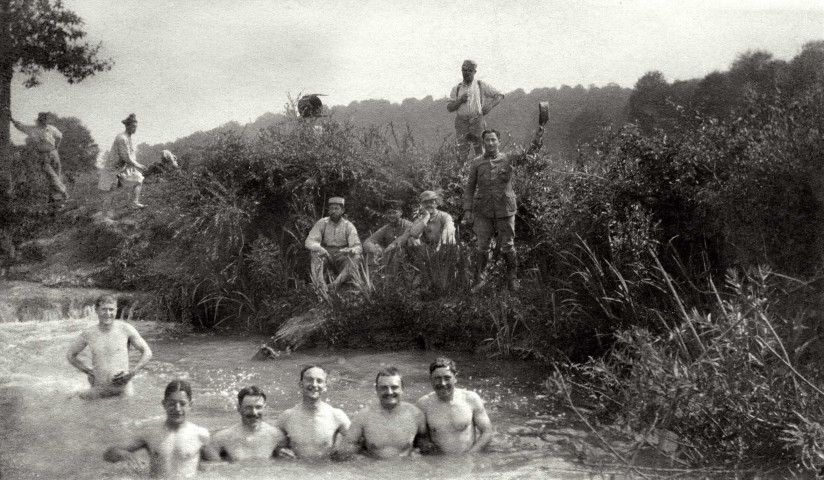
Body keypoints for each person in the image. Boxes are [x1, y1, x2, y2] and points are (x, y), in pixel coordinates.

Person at [463, 126, 545, 293]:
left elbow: (529, 153)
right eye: (487, 140)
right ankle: (480, 279)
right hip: (483, 211)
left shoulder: (509, 158)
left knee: (508, 245)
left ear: (499, 142)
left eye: (494, 140)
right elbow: (470, 187)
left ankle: (512, 278)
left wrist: (538, 136)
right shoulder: (477, 162)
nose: (491, 143)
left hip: (505, 209)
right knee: (482, 246)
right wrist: (468, 210)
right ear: (483, 142)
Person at [104, 380, 211, 478]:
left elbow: (212, 467)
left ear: (190, 405)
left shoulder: (201, 435)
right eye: (172, 403)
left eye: (182, 404)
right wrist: (126, 455)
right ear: (164, 404)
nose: (177, 409)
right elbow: (109, 454)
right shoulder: (151, 433)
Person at [66, 294, 152, 398]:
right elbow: (70, 355)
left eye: (111, 309)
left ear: (116, 310)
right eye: (104, 309)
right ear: (96, 310)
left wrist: (131, 374)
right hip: (99, 388)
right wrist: (88, 371)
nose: (108, 313)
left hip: (123, 389)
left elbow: (147, 352)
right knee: (71, 400)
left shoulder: (126, 329)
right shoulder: (89, 333)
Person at [340, 367, 428, 459]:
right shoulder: (363, 417)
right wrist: (360, 460)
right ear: (377, 390)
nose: (389, 392)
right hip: (374, 470)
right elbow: (342, 452)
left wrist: (418, 456)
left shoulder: (416, 415)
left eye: (394, 387)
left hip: (406, 469)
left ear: (402, 389)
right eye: (384, 388)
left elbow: (427, 450)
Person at [416, 357, 493, 455]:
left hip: (468, 459)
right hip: (439, 464)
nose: (443, 383)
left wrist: (471, 455)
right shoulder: (423, 405)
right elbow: (417, 438)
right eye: (437, 378)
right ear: (430, 379)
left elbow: (487, 432)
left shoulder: (471, 399)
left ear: (455, 378)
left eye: (447, 378)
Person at [275, 365, 351, 459]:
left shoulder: (336, 416)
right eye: (309, 380)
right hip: (296, 471)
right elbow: (271, 446)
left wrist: (343, 454)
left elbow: (357, 444)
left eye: (319, 381)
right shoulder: (287, 417)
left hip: (325, 471)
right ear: (301, 384)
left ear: (325, 386)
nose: (314, 385)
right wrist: (279, 451)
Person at [206, 386, 285, 461]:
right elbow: (212, 468)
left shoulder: (277, 436)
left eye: (258, 407)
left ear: (264, 408)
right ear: (239, 408)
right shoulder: (221, 439)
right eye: (248, 407)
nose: (254, 412)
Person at [446, 60, 504, 158]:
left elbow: (500, 95)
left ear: (474, 72)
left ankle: (482, 172)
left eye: (470, 71)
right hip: (462, 123)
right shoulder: (456, 88)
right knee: (461, 153)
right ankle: (462, 173)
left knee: (481, 152)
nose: (467, 73)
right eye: (464, 70)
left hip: (477, 121)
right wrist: (460, 101)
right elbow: (449, 107)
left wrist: (490, 106)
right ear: (461, 71)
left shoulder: (480, 85)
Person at [10, 111, 68, 204]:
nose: (43, 121)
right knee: (51, 175)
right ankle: (63, 191)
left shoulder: (51, 129)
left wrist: (56, 147)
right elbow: (20, 126)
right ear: (38, 120)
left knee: (56, 174)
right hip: (44, 155)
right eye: (41, 120)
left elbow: (59, 136)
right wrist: (11, 119)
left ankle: (55, 199)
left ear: (46, 120)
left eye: (45, 119)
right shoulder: (33, 129)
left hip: (53, 153)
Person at [304, 197, 363, 289]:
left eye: (336, 209)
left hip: (342, 255)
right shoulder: (322, 222)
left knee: (356, 257)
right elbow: (309, 241)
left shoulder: (348, 225)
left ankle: (335, 284)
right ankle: (320, 286)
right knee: (315, 253)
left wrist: (350, 250)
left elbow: (358, 246)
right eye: (331, 209)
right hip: (326, 254)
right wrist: (320, 248)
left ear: (342, 210)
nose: (333, 211)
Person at [386, 191, 455, 252]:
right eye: (425, 203)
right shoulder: (420, 219)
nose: (428, 205)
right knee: (412, 240)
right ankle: (421, 262)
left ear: (436, 203)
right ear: (421, 205)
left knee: (450, 238)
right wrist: (426, 217)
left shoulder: (445, 216)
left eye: (431, 202)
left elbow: (448, 232)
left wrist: (439, 248)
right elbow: (411, 234)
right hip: (429, 249)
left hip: (443, 247)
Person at [105, 113, 147, 209]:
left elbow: (130, 155)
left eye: (136, 127)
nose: (134, 129)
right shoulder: (122, 138)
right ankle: (104, 216)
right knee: (113, 191)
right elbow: (126, 157)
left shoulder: (127, 137)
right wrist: (138, 165)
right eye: (132, 126)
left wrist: (134, 166)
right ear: (127, 126)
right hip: (115, 168)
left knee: (138, 179)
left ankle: (133, 203)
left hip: (122, 168)